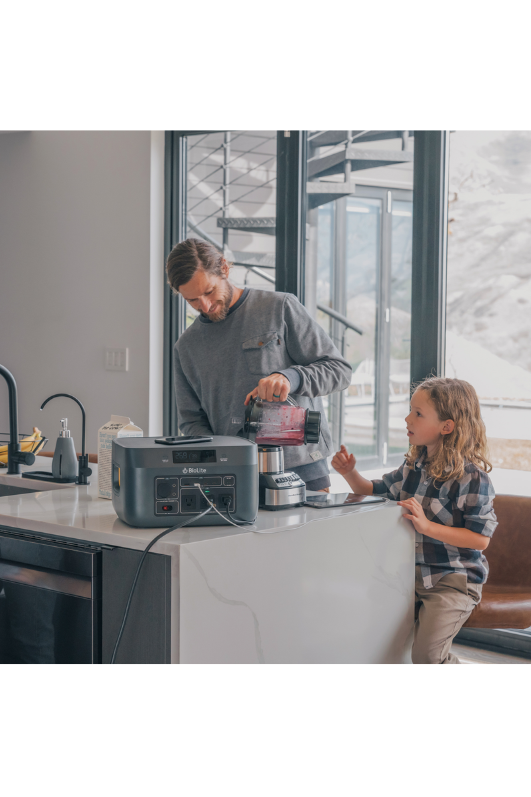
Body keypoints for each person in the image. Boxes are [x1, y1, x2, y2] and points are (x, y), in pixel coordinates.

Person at [331, 377, 497, 664]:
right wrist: (349, 473)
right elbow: (374, 491)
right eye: (410, 410)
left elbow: (480, 538)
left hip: (451, 580)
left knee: (427, 658)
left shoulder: (473, 478)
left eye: (418, 413)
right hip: (407, 575)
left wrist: (427, 526)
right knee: (364, 640)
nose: (407, 418)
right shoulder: (413, 465)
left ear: (446, 427)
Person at [167, 238, 352, 491]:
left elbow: (338, 370)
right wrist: (218, 458)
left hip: (303, 468)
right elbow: (191, 420)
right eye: (192, 300)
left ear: (224, 268)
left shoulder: (280, 307)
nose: (205, 306)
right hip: (233, 476)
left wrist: (290, 377)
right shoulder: (185, 347)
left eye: (209, 292)